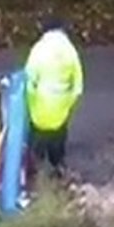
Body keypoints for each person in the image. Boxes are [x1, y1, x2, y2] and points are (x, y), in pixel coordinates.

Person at [24, 18, 84, 186]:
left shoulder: (39, 49)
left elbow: (29, 80)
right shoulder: (70, 50)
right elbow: (78, 87)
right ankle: (59, 173)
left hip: (39, 111)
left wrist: (31, 104)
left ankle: (31, 181)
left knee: (35, 149)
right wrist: (67, 105)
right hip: (61, 111)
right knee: (58, 145)